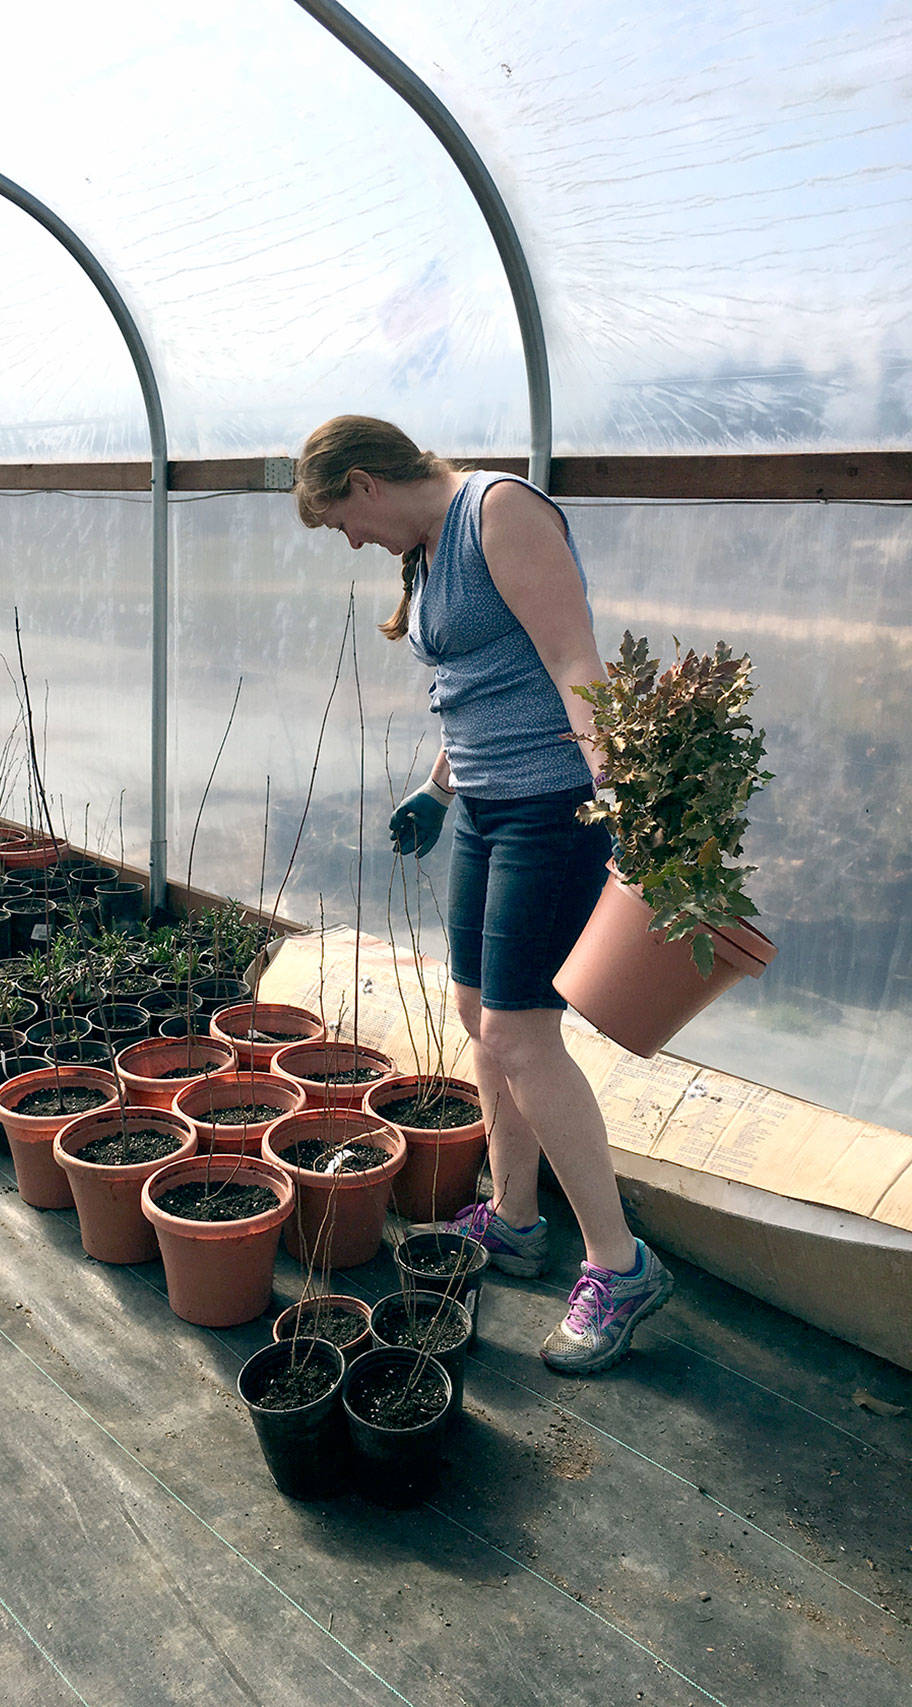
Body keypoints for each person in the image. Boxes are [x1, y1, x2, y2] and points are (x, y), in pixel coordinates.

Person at [295, 415, 672, 1374]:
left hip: (554, 804)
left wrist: (621, 797)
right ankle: (513, 1216)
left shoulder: (496, 512)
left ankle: (619, 1265)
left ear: (367, 483)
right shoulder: (425, 554)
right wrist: (437, 786)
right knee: (476, 1011)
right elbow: (474, 682)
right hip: (485, 804)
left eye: (339, 519)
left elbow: (574, 665)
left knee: (519, 1033)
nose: (349, 541)